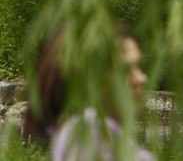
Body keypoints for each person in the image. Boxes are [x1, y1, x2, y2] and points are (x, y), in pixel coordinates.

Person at [22, 25, 154, 161]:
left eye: (138, 67)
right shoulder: (89, 130)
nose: (142, 78)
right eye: (126, 70)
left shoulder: (104, 132)